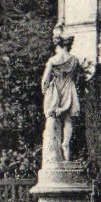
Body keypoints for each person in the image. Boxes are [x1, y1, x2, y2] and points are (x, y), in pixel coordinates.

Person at [41, 29, 81, 166]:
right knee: (68, 120)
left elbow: (45, 80)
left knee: (53, 120)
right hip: (69, 88)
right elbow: (77, 77)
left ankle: (54, 152)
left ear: (58, 44)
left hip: (56, 91)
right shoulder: (74, 60)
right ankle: (66, 143)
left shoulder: (53, 60)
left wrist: (44, 90)